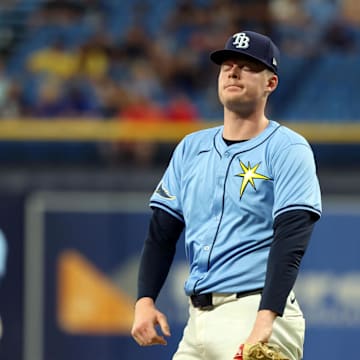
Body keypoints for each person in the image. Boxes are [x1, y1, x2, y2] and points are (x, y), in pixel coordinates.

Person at [131, 30, 322, 360]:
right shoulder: (191, 148)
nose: (233, 71)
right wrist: (145, 300)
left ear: (270, 83)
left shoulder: (288, 148)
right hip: (197, 321)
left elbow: (291, 239)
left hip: (256, 310)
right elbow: (161, 234)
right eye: (227, 65)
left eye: (247, 66)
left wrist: (264, 324)